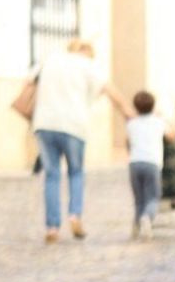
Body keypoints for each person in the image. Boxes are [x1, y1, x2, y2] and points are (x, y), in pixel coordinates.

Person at [31, 37, 134, 242]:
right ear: (87, 53)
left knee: (52, 175)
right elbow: (111, 91)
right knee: (76, 172)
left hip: (44, 123)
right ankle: (74, 215)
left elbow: (29, 85)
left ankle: (52, 228)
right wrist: (129, 115)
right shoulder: (87, 65)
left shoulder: (51, 60)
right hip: (73, 125)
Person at [126, 89, 175, 240]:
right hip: (152, 163)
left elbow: (127, 143)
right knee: (153, 197)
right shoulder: (158, 122)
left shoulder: (131, 123)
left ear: (135, 107)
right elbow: (171, 137)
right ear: (153, 106)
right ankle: (147, 218)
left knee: (139, 199)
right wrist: (166, 120)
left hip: (134, 163)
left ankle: (136, 227)